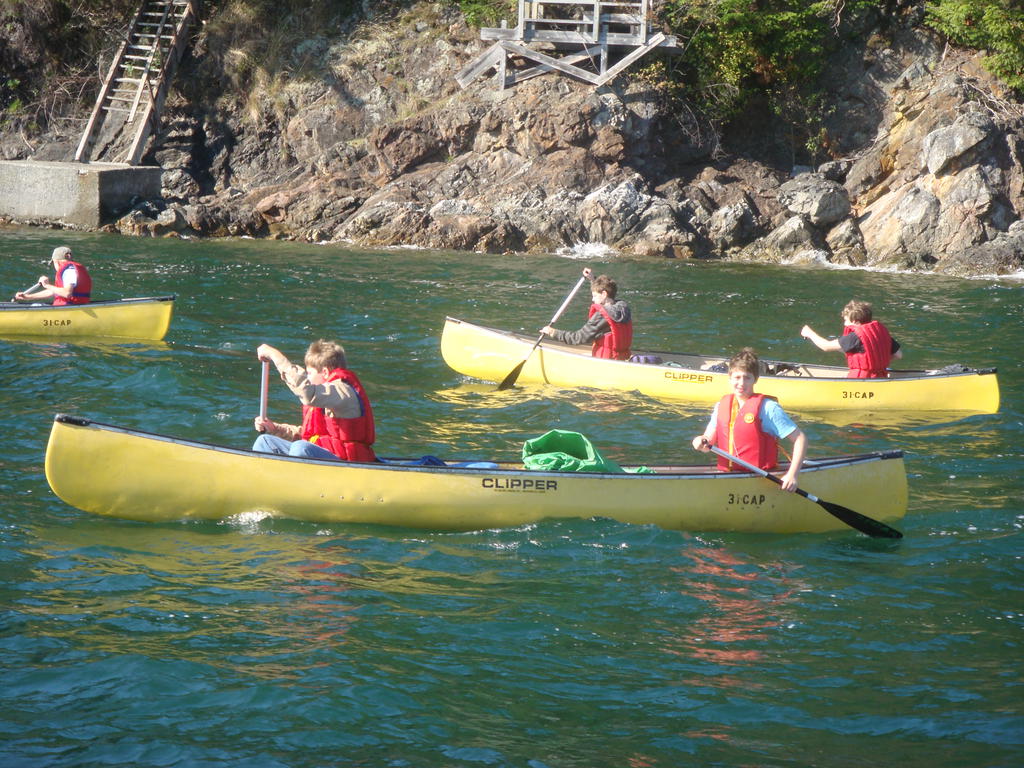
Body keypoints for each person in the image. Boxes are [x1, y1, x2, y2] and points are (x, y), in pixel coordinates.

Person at [691, 347, 807, 492]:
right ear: (730, 378)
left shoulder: (768, 408)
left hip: (760, 480)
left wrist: (792, 475)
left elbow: (800, 439)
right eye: (737, 377)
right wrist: (700, 441)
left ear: (755, 380)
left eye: (747, 378)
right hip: (728, 477)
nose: (741, 383)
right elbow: (708, 441)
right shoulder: (721, 406)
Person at [252, 339, 377, 462]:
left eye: (309, 373)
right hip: (325, 453)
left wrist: (274, 355)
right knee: (264, 442)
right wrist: (275, 428)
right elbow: (310, 436)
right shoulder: (324, 397)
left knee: (300, 447)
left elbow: (306, 393)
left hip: (347, 461)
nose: (308, 379)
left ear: (325, 372)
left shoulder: (342, 390)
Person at [541, 267, 632, 359]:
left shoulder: (601, 316)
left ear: (604, 294)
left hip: (603, 360)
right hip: (620, 357)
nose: (592, 299)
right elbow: (603, 292)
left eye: (595, 296)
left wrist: (553, 332)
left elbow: (578, 338)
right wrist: (592, 279)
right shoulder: (622, 308)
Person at [800, 299, 902, 378]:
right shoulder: (879, 333)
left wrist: (809, 333)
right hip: (880, 378)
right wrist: (876, 364)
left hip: (861, 381)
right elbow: (898, 355)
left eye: (846, 320)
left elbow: (825, 346)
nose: (845, 324)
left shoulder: (855, 337)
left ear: (856, 322)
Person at [14, 246, 92, 305]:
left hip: (68, 307)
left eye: (53, 263)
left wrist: (46, 285)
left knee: (36, 306)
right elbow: (54, 291)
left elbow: (67, 293)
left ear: (56, 261)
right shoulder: (72, 269)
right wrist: (28, 297)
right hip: (73, 305)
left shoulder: (69, 270)